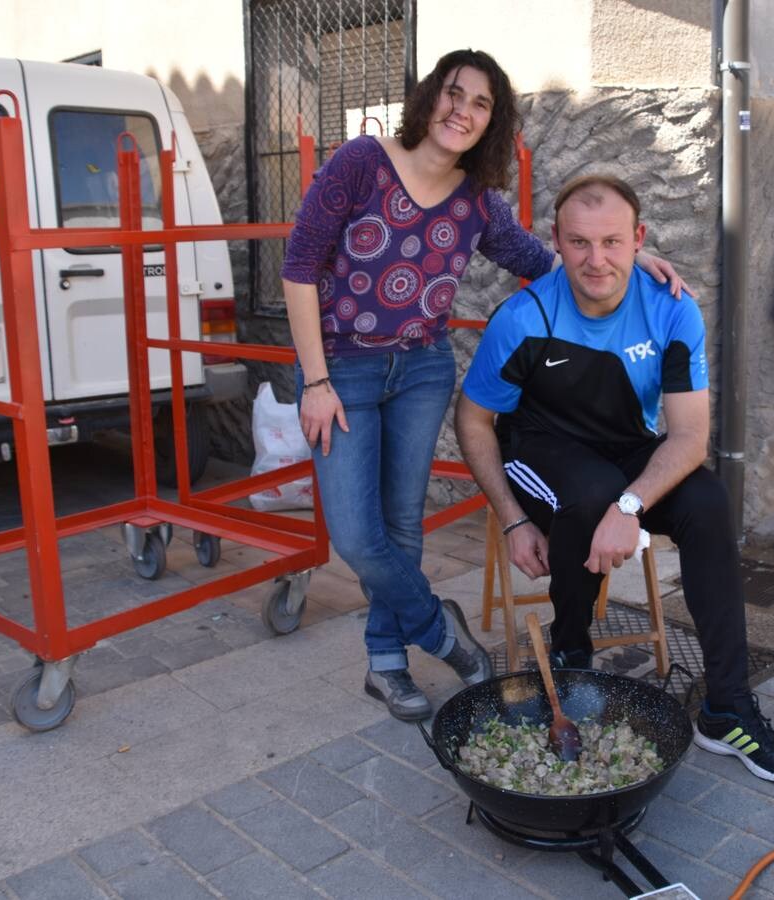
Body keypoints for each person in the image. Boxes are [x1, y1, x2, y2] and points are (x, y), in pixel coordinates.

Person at [280, 50, 684, 722]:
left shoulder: (474, 199)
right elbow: (298, 266)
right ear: (429, 98)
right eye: (453, 93)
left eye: (480, 104)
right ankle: (442, 632)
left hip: (421, 369)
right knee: (354, 534)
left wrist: (627, 255)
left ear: (491, 122)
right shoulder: (361, 162)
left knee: (402, 527)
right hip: (340, 368)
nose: (461, 112)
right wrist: (315, 379)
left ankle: (387, 664)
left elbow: (543, 259)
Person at [455, 175, 774, 784]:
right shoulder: (523, 318)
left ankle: (726, 705)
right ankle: (571, 655)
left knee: (707, 501)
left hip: (627, 450)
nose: (598, 260)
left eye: (613, 242)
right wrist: (513, 518)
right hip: (540, 450)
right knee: (591, 493)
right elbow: (473, 421)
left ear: (639, 238)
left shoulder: (672, 308)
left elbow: (689, 437)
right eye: (580, 243)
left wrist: (633, 503)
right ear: (557, 243)